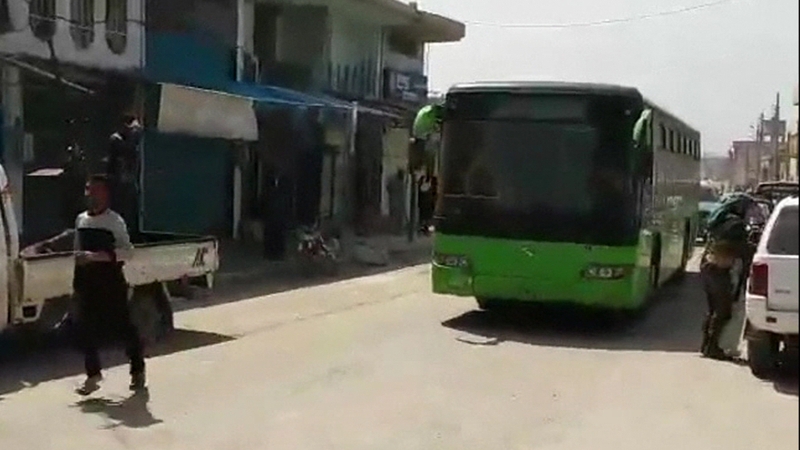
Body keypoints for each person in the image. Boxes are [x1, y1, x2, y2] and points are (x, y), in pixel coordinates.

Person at [73, 174, 145, 395]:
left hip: (111, 283)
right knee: (84, 329)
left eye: (95, 190)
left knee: (123, 327)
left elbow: (128, 252)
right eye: (88, 190)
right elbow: (77, 251)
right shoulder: (81, 220)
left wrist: (98, 257)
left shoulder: (114, 221)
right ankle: (93, 375)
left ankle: (137, 370)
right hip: (87, 283)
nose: (90, 195)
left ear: (105, 194)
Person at [699, 193, 757, 360]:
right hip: (718, 269)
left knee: (713, 310)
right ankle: (713, 348)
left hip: (708, 265)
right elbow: (742, 250)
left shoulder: (722, 219)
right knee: (723, 311)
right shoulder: (735, 224)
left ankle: (707, 346)